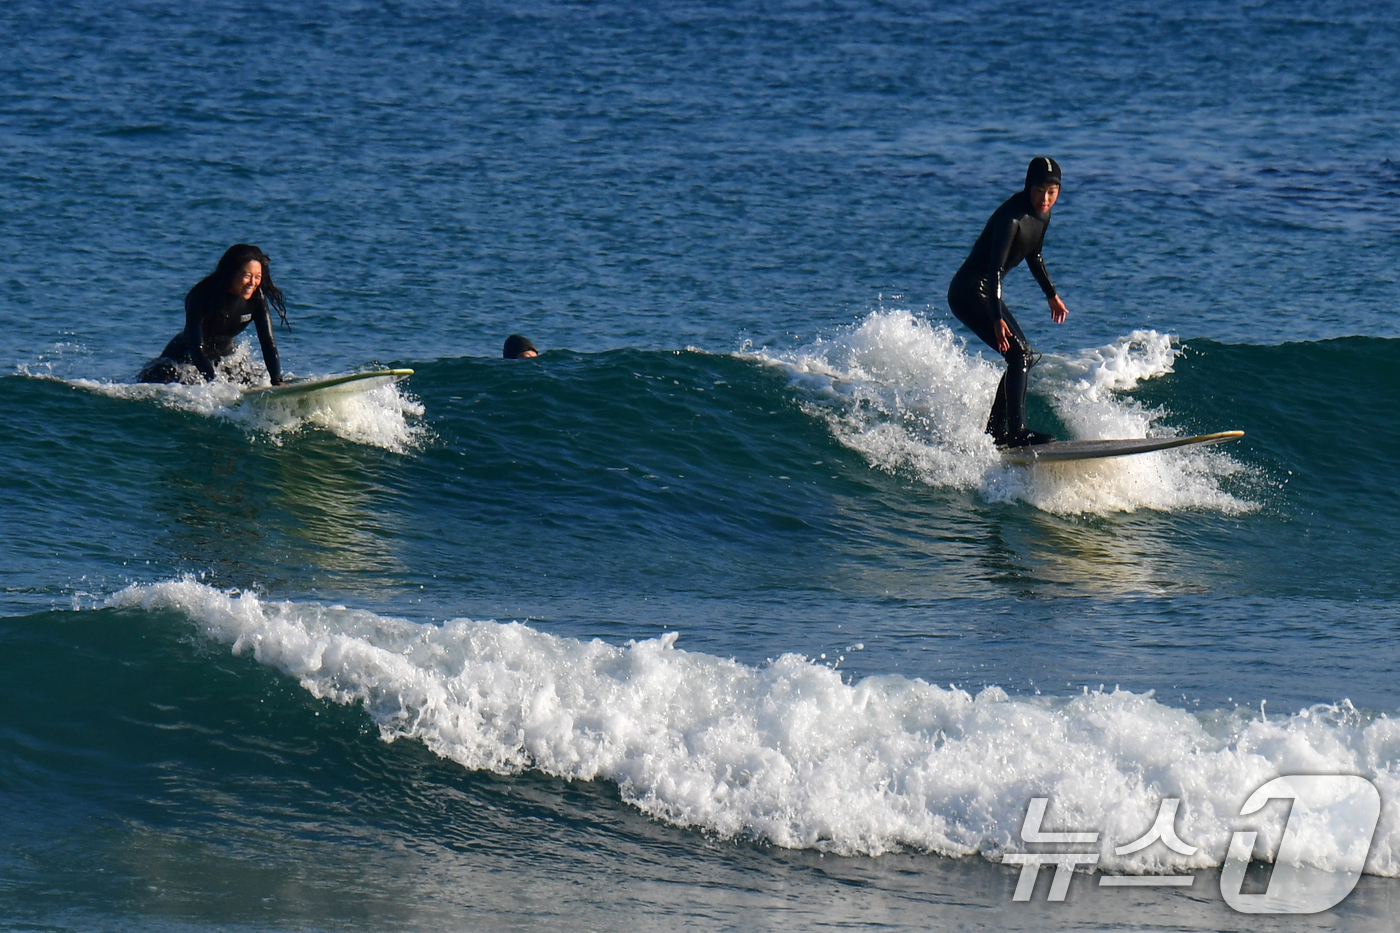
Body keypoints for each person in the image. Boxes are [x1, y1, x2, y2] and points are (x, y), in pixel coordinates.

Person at [947, 157, 1069, 447]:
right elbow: (993, 270)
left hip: (986, 291)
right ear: (1028, 187)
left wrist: (1050, 294)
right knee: (1018, 355)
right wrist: (996, 317)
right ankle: (1016, 433)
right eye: (1040, 190)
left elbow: (1034, 254)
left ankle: (996, 431)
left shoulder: (1043, 216)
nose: (1046, 198)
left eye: (1053, 192)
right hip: (969, 292)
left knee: (1023, 355)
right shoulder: (1011, 218)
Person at [138, 244, 289, 385]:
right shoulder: (202, 295)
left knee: (256, 378)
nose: (252, 283)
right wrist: (215, 383)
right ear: (231, 273)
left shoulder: (257, 297)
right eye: (247, 276)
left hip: (224, 361)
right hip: (180, 361)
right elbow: (196, 347)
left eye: (257, 277)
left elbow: (268, 343)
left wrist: (277, 380)